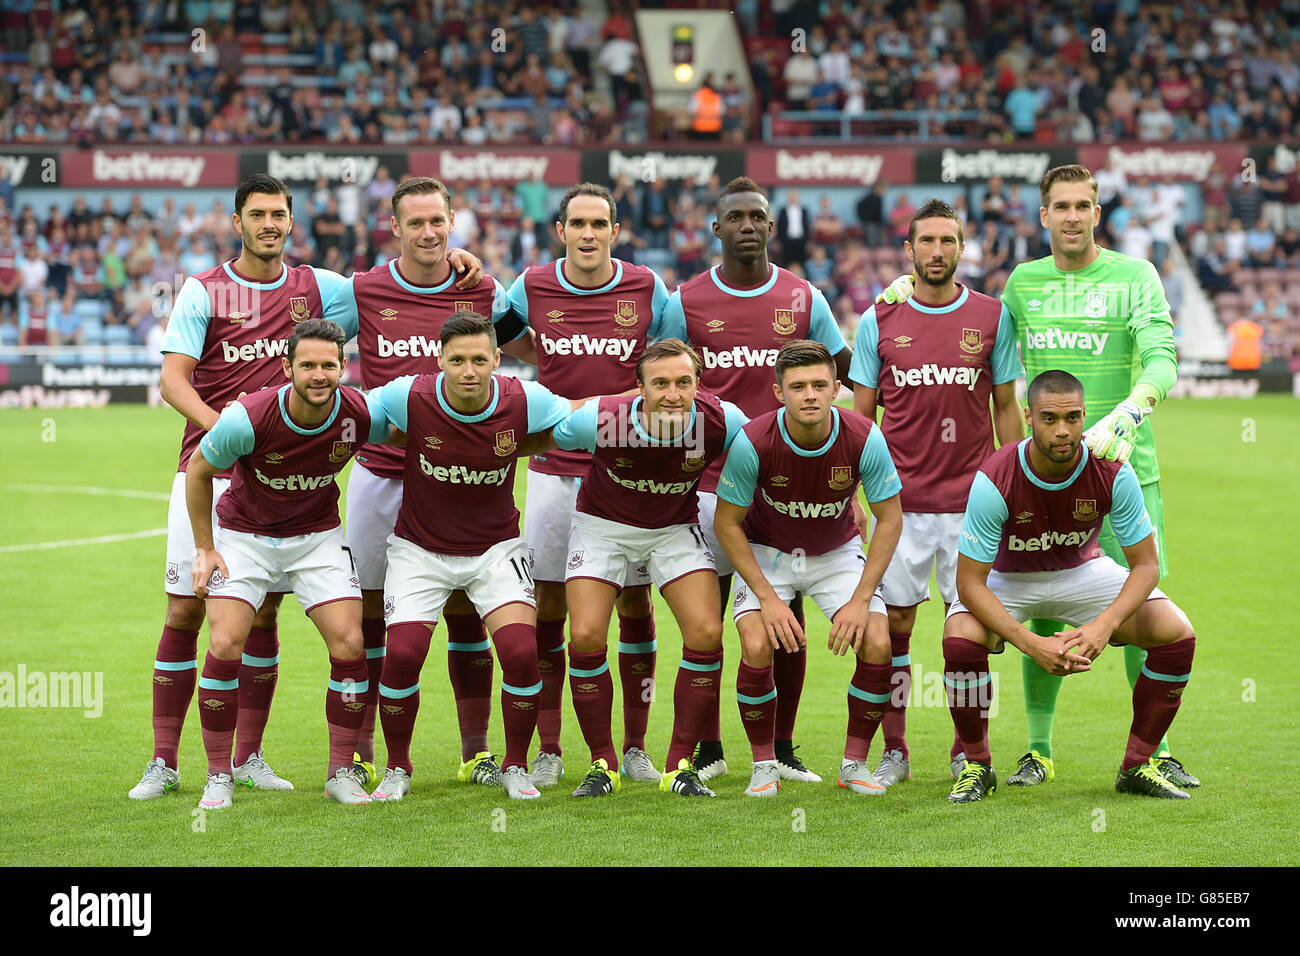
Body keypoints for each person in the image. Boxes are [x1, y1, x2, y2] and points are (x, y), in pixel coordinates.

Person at [130, 173, 481, 801]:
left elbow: (394, 285)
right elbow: (173, 382)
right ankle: (163, 760)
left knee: (264, 613)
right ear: (237, 222)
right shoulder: (203, 292)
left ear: (291, 222)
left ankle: (249, 756)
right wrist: (232, 434)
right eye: (258, 214)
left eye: (279, 215)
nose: (270, 224)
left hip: (292, 486)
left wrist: (448, 257)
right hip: (210, 469)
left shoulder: (320, 288)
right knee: (186, 608)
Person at [877, 165, 1194, 789]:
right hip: (1040, 477)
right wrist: (908, 290)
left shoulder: (1135, 276)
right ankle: (1039, 751)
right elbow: (972, 327)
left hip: (1124, 468)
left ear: (1097, 213)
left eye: (1084, 205)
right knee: (1038, 608)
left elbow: (1162, 354)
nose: (1073, 216)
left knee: (1137, 613)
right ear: (1043, 216)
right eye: (1061, 206)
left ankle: (1147, 756)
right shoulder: (1024, 283)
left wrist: (1133, 410)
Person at [328, 176, 533, 790]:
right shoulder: (362, 291)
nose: (427, 233)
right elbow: (306, 344)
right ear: (395, 228)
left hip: (463, 481)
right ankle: (365, 749)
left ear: (453, 223)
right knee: (368, 616)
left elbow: (527, 350)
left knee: (471, 608)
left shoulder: (481, 288)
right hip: (382, 474)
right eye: (414, 223)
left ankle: (476, 752)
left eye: (437, 222)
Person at [659, 176, 853, 784]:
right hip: (704, 483)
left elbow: (843, 378)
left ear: (772, 226)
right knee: (710, 622)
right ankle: (709, 746)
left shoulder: (804, 299)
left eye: (757, 217)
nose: (747, 225)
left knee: (786, 621)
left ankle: (783, 745)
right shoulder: (684, 300)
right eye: (735, 217)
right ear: (715, 229)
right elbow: (660, 379)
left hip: (787, 492)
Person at [943, 370, 1197, 802]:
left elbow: (1146, 566)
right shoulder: (995, 477)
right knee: (961, 640)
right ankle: (977, 765)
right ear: (1028, 417)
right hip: (1010, 577)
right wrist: (1029, 642)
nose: (1062, 431)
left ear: (1084, 416)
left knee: (1176, 633)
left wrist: (1104, 626)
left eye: (1073, 418)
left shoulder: (1113, 469)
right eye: (1048, 419)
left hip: (1082, 572)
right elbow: (969, 582)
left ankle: (1137, 765)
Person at [365, 313, 576, 802]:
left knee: (523, 653)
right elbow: (352, 413)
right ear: (439, 360)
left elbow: (572, 423)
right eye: (456, 360)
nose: (468, 370)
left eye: (480, 359)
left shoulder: (525, 398)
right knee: (402, 655)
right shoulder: (409, 395)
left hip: (495, 551)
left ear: (497, 360)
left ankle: (517, 765)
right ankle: (397, 767)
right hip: (419, 550)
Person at [849, 199, 1024, 788]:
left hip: (973, 505)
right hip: (899, 505)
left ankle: (968, 748)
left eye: (948, 241)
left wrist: (1015, 485)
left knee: (972, 632)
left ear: (962, 247)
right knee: (894, 626)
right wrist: (855, 491)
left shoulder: (992, 316)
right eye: (927, 241)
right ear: (909, 249)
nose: (938, 251)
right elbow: (862, 419)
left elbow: (1005, 407)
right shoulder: (878, 319)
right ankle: (895, 748)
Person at [187, 318, 394, 808]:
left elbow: (415, 431)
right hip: (245, 537)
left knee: (350, 641)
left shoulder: (359, 414)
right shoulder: (248, 416)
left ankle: (341, 772)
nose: (319, 375)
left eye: (329, 365)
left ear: (345, 367)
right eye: (308, 365)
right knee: (224, 640)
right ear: (287, 368)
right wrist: (204, 548)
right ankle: (220, 773)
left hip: (316, 538)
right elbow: (198, 471)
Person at [505, 182, 672, 787]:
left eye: (599, 224)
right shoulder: (532, 285)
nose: (588, 234)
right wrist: (542, 360)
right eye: (578, 223)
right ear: (561, 231)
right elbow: (501, 334)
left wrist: (612, 401)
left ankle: (633, 746)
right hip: (552, 469)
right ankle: (549, 745)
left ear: (615, 230)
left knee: (633, 600)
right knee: (548, 603)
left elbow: (673, 360)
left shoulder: (647, 287)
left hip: (626, 467)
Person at [550, 339, 748, 797]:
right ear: (638, 388)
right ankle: (603, 763)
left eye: (684, 382)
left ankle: (678, 767)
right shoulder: (602, 419)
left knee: (706, 634)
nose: (673, 394)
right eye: (660, 384)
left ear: (699, 384)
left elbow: (763, 452)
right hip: (603, 527)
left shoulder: (722, 420)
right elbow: (545, 434)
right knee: (584, 635)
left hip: (673, 527)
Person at [714, 341, 904, 798]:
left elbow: (891, 518)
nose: (811, 395)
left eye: (820, 385)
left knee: (879, 642)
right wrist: (768, 598)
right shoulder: (754, 440)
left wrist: (860, 600)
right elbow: (726, 524)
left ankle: (854, 763)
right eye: (798, 387)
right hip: (768, 553)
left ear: (838, 389)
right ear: (779, 393)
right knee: (757, 642)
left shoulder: (863, 436)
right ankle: (764, 765)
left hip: (835, 555)